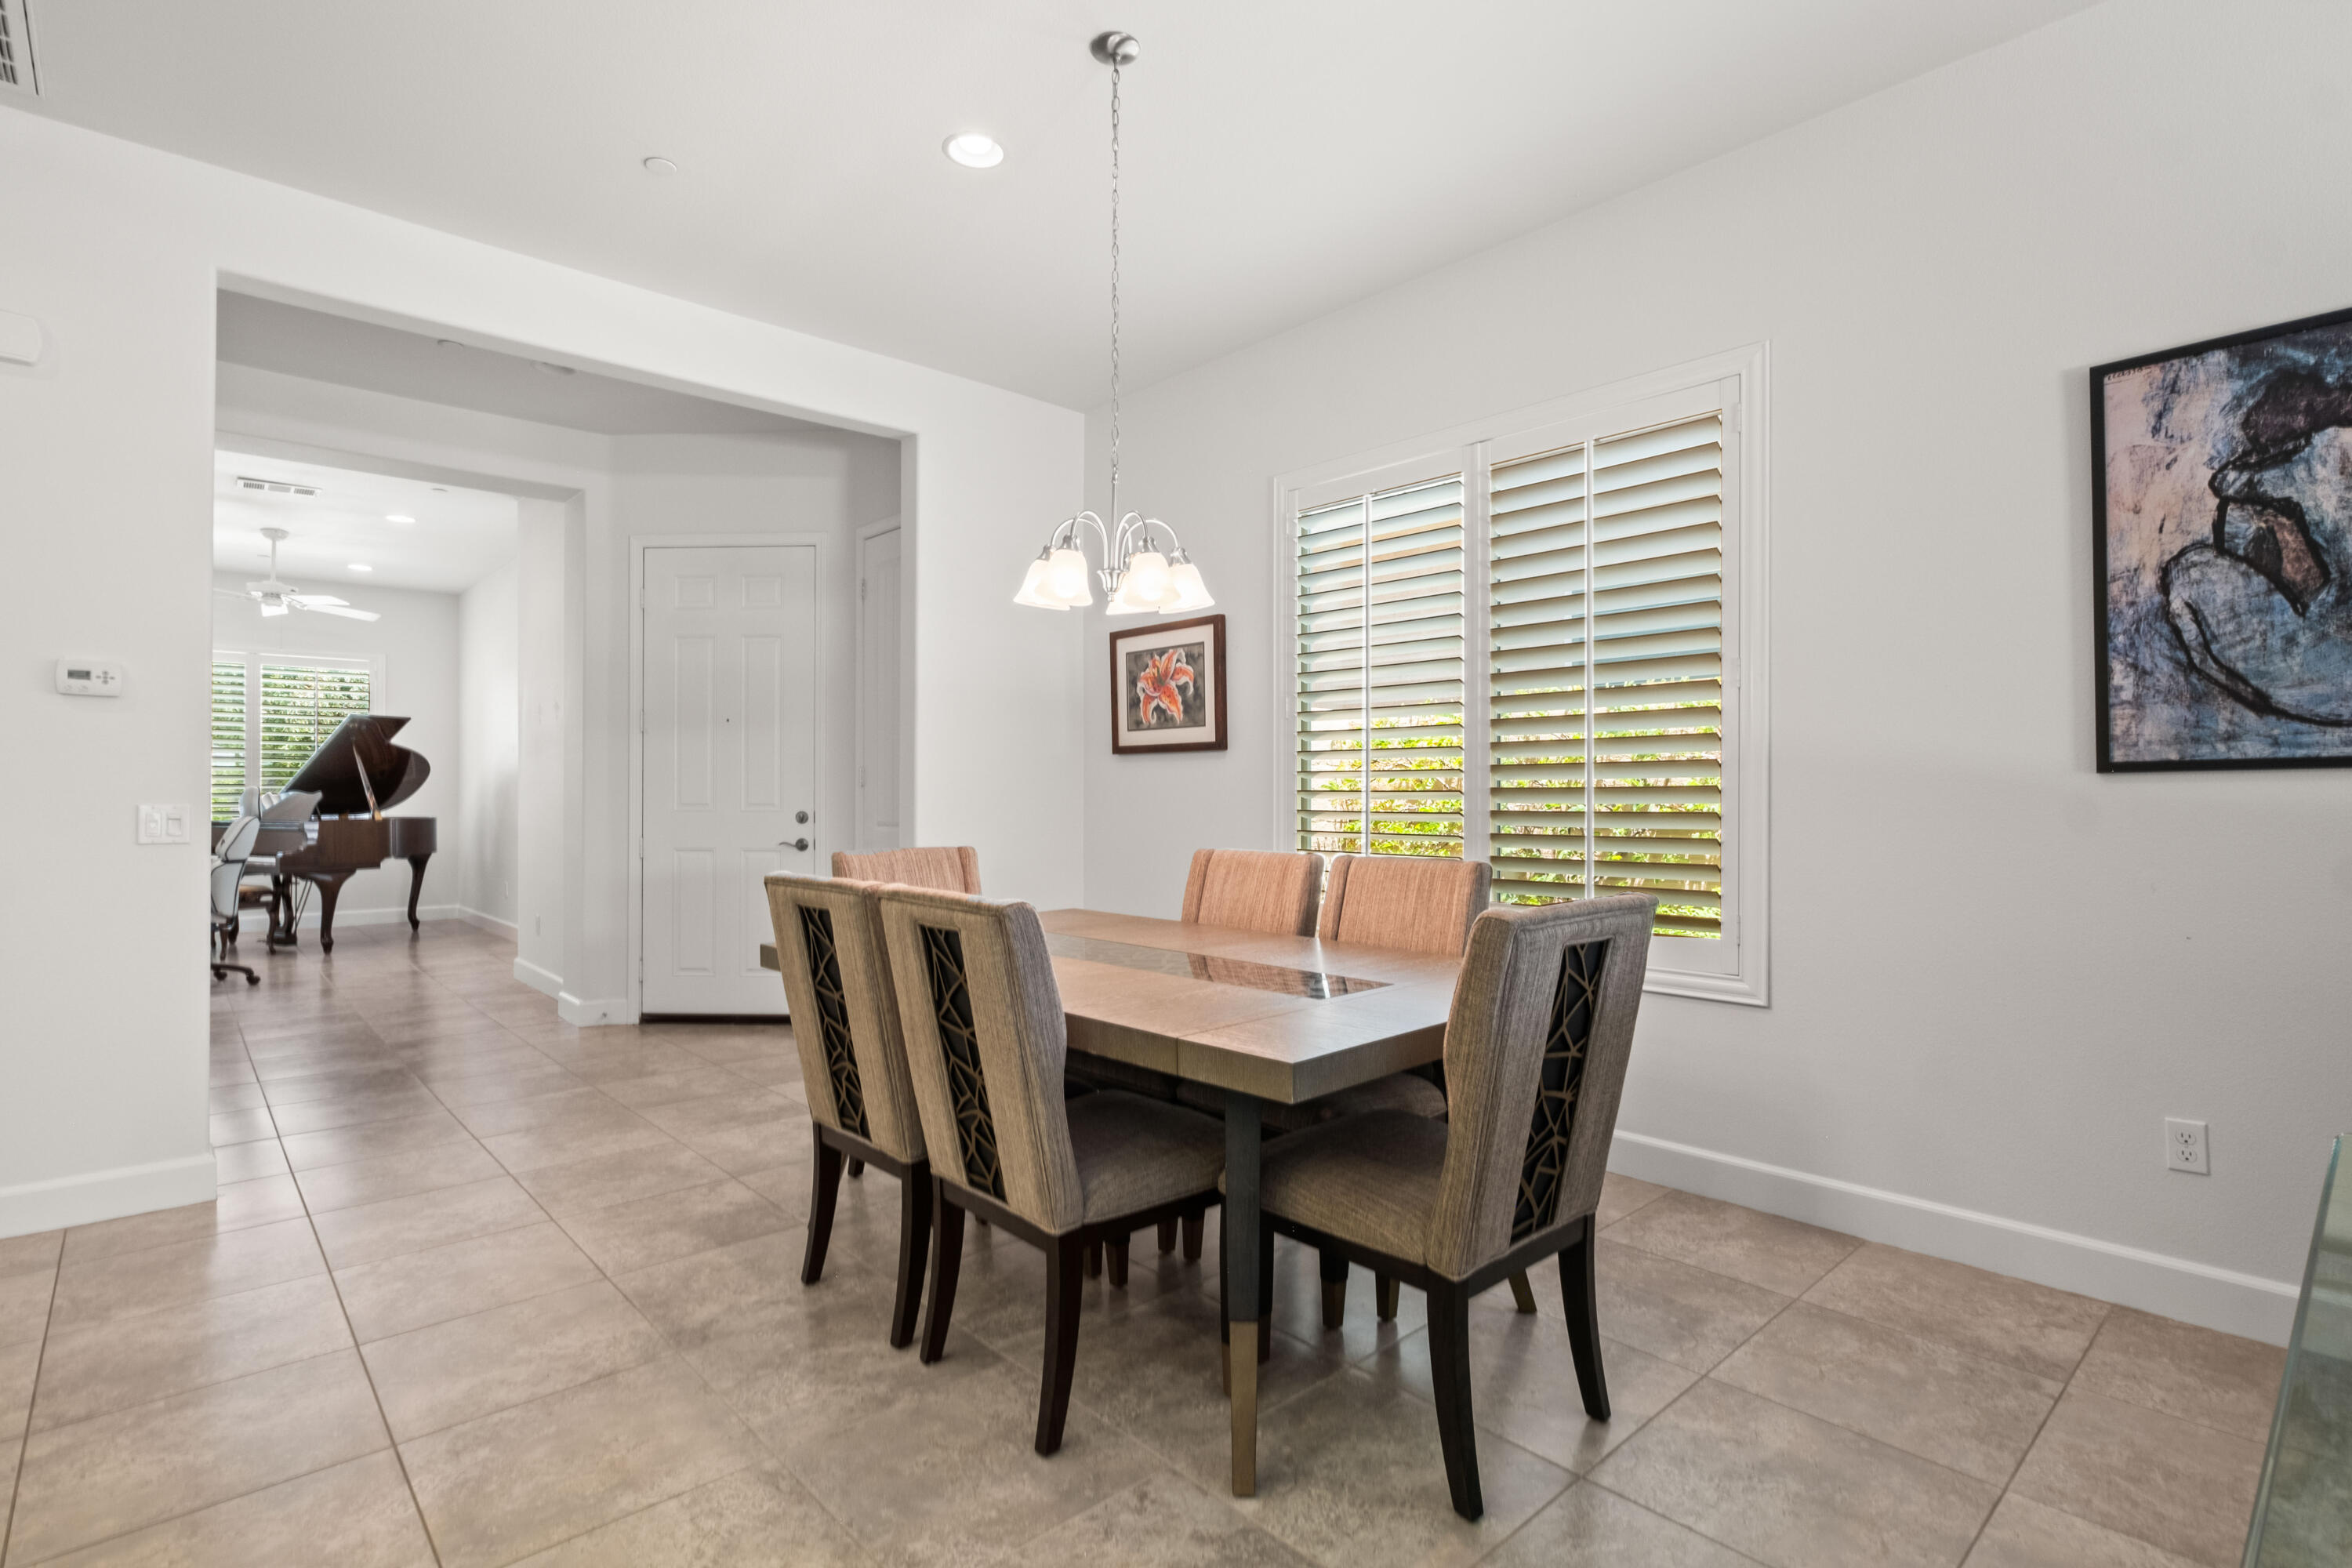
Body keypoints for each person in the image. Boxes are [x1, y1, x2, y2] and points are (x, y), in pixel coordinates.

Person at [2163, 370, 2352, 725]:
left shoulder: (2315, 458)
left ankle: (2263, 698)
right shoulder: (2313, 460)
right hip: (2317, 667)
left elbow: (2227, 483)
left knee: (2187, 569)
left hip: (2320, 667)